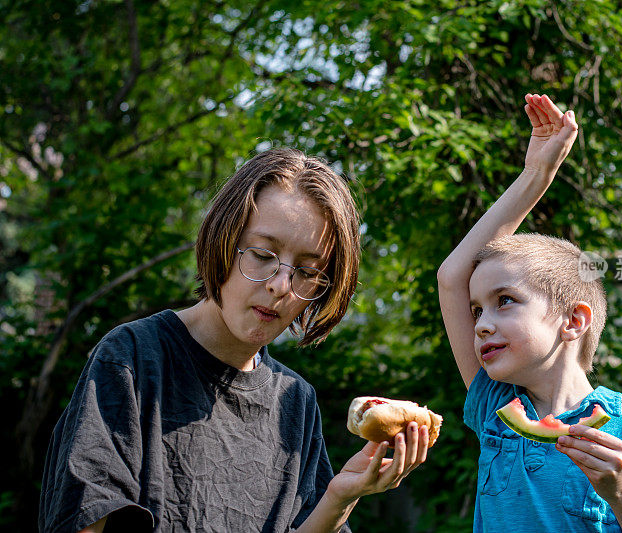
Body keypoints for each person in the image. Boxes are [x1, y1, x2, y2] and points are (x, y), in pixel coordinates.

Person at [40, 148, 430, 532]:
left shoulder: (297, 401)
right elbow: (85, 520)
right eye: (262, 254)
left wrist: (339, 498)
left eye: (308, 272)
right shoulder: (133, 357)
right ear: (223, 241)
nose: (281, 286)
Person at [437, 93, 622, 532]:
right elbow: (451, 276)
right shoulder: (495, 410)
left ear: (573, 321)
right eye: (477, 309)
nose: (481, 324)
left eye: (505, 301)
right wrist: (536, 175)